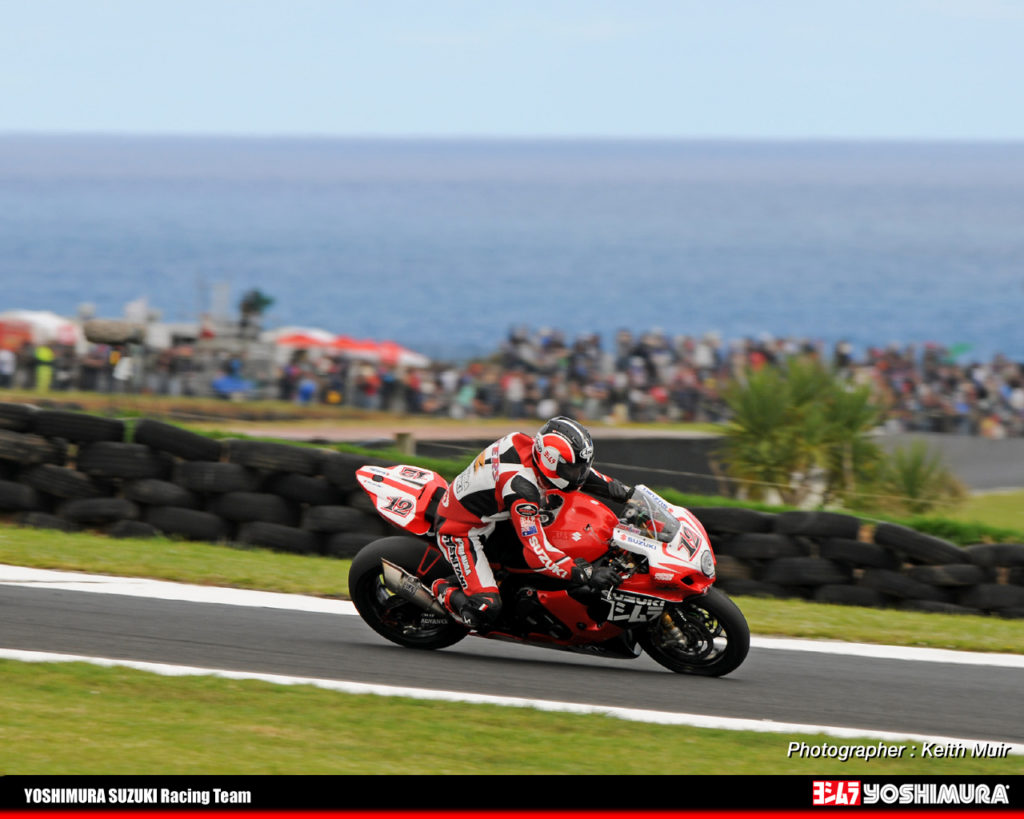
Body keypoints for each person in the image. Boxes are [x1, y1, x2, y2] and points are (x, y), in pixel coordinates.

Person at [430, 416, 633, 629]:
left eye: (581, 468)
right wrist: (586, 574)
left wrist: (622, 492)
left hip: (493, 515)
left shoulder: (529, 446)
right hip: (461, 530)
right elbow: (536, 552)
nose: (578, 475)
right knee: (485, 609)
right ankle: (439, 588)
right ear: (550, 462)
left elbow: (580, 474)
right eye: (573, 470)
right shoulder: (522, 490)